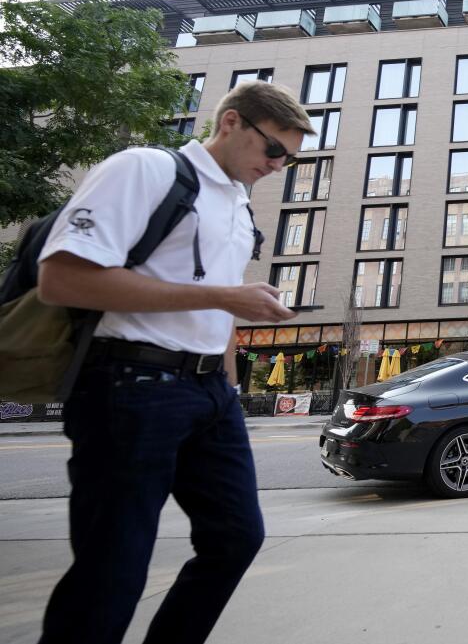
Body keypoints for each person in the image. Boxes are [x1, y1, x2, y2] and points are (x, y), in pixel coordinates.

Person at [35, 80, 312, 644]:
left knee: (235, 538)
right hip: (130, 384)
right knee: (113, 566)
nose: (278, 166)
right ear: (231, 123)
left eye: (290, 159)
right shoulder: (145, 169)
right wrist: (222, 296)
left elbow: (220, 314)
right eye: (274, 150)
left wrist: (229, 388)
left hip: (210, 394)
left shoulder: (237, 202)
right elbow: (61, 278)